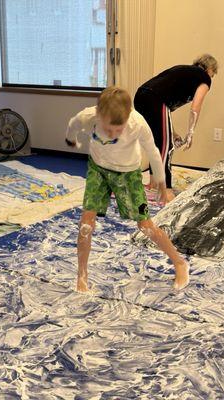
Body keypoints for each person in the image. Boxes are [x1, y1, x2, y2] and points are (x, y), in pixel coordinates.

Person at [65, 86, 189, 293]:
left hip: (128, 173)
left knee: (146, 226)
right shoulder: (88, 116)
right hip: (99, 169)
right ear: (98, 115)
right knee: (86, 224)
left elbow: (153, 150)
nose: (113, 134)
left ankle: (179, 262)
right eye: (108, 129)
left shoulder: (137, 123)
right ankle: (82, 277)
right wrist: (72, 139)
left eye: (118, 130)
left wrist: (160, 180)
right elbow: (73, 125)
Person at [134, 54, 218, 200]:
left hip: (141, 96)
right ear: (209, 68)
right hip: (155, 99)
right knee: (166, 146)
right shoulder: (204, 78)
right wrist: (191, 132)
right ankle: (165, 189)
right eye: (213, 72)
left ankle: (154, 182)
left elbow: (163, 110)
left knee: (159, 142)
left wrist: (172, 132)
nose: (213, 76)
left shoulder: (185, 73)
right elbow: (196, 107)